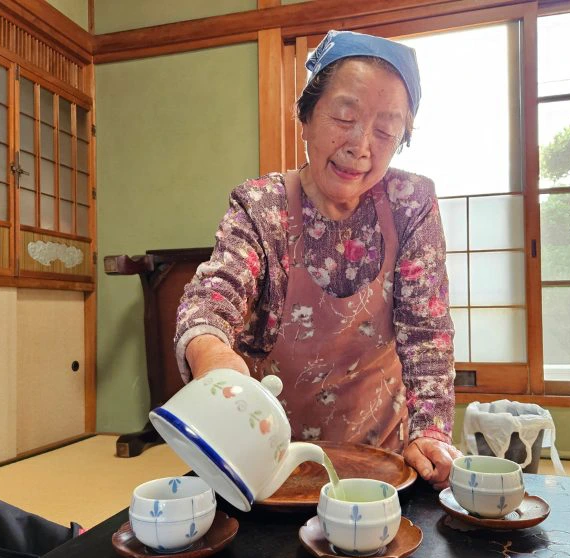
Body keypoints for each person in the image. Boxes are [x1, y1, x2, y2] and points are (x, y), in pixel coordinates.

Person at [174, 30, 461, 489]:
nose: (360, 146)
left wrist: (430, 432)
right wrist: (214, 357)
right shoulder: (261, 205)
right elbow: (212, 297)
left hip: (380, 462)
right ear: (305, 117)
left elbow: (426, 334)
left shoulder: (412, 203)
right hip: (268, 462)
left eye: (385, 131)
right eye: (344, 117)